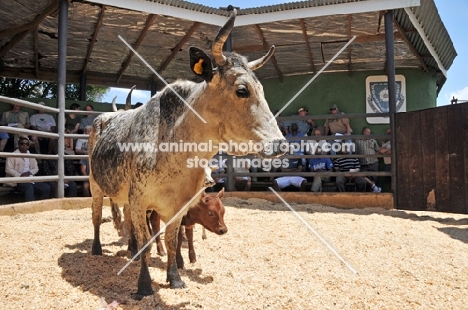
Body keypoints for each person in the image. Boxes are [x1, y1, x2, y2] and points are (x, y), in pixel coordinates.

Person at [4, 137, 50, 201]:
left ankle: (40, 206)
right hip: (17, 181)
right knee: (29, 187)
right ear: (18, 144)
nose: (24, 145)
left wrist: (29, 173)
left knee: (46, 187)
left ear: (29, 145)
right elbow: (8, 169)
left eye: (27, 144)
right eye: (22, 144)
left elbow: (36, 168)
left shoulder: (31, 155)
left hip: (30, 179)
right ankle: (31, 208)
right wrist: (20, 175)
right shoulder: (12, 155)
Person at [42, 130, 78, 198]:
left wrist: (67, 179)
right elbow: (46, 172)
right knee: (52, 186)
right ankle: (54, 204)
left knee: (73, 185)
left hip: (65, 179)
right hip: (52, 179)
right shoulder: (47, 157)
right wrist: (56, 179)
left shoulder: (66, 156)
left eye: (59, 146)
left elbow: (71, 170)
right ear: (52, 146)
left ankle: (71, 204)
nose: (58, 148)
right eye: (56, 146)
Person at [75, 125, 91, 196]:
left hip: (97, 178)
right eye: (86, 130)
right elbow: (83, 170)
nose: (88, 132)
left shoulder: (95, 139)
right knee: (85, 186)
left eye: (89, 131)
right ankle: (87, 202)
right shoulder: (85, 157)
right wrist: (88, 178)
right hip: (88, 177)